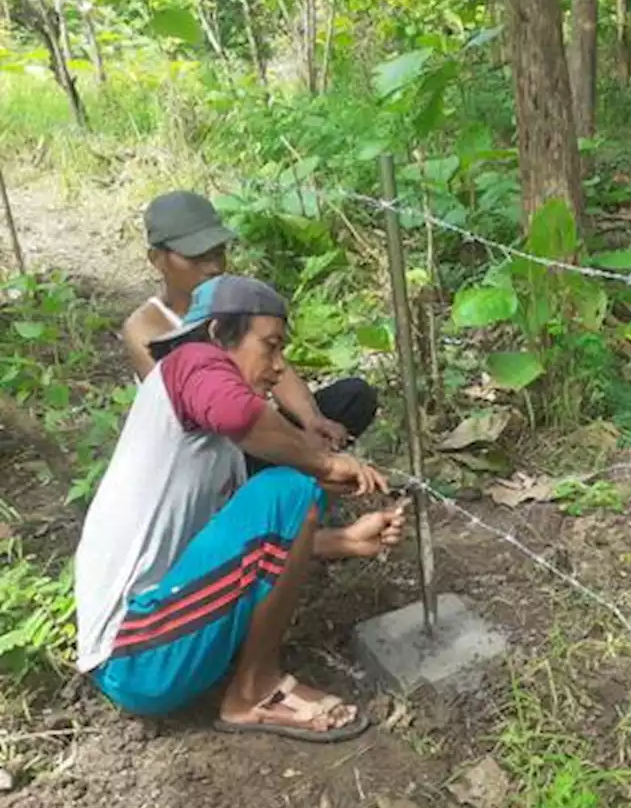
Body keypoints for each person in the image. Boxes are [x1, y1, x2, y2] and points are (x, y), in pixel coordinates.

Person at [75, 274, 405, 742]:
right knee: (288, 489)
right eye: (269, 347)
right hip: (136, 658)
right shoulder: (187, 364)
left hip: (154, 641)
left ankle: (247, 680)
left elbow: (243, 550)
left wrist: (344, 541)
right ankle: (254, 691)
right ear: (216, 336)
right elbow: (239, 416)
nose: (277, 367)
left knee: (284, 494)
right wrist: (326, 461)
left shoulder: (214, 449)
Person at [121, 190, 377, 466]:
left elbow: (275, 365)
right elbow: (215, 408)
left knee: (352, 397)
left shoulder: (232, 298)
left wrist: (312, 420)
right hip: (211, 452)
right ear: (157, 259)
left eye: (218, 253)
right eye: (197, 258)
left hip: (254, 427)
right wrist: (303, 447)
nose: (214, 267)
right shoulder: (144, 329)